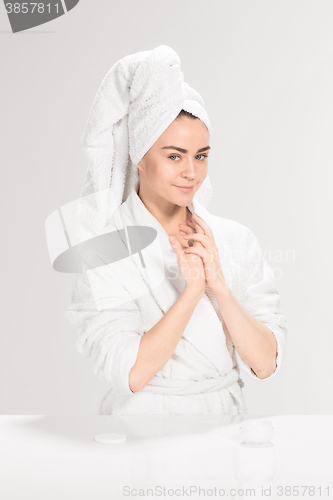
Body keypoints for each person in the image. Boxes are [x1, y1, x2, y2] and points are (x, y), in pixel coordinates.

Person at [65, 45, 287, 415]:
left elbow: (265, 364)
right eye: (174, 156)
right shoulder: (103, 249)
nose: (192, 172)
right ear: (140, 154)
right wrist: (193, 292)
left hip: (224, 428)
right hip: (142, 431)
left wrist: (219, 286)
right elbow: (131, 372)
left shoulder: (234, 239)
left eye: (201, 155)